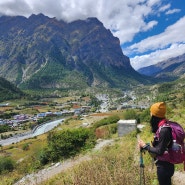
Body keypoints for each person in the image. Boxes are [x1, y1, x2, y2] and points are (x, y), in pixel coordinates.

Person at [138, 102, 174, 185]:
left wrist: (145, 146)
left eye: (151, 112)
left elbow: (159, 151)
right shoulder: (163, 126)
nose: (150, 113)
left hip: (164, 167)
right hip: (166, 165)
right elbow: (162, 146)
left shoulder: (164, 130)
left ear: (155, 115)